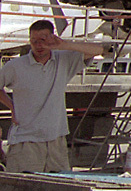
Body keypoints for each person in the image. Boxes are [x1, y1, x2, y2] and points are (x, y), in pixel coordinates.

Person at [0, 19, 103, 172]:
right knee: (24, 190)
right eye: (34, 41)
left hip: (56, 140)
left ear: (52, 38)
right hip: (26, 142)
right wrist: (12, 106)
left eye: (43, 40)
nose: (39, 45)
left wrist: (64, 45)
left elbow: (99, 50)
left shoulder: (64, 60)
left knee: (59, 189)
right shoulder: (15, 66)